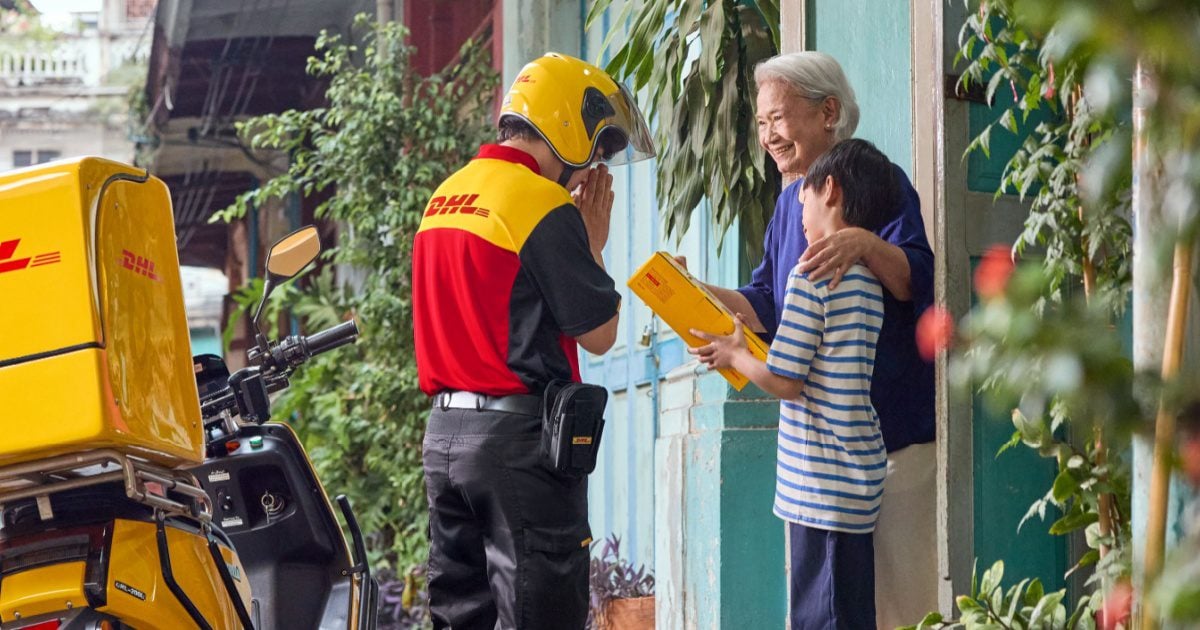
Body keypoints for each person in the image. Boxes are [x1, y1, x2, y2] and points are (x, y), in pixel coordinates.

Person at [690, 52, 937, 627]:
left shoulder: (878, 184)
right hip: (822, 463)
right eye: (759, 124)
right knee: (835, 604)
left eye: (777, 118)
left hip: (888, 442)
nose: (768, 136)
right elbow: (762, 304)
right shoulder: (788, 204)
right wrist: (689, 288)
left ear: (828, 112)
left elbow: (918, 278)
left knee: (896, 608)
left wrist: (863, 244)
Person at [411, 52, 655, 629]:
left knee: (459, 616)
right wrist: (592, 244)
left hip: (444, 442)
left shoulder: (444, 198)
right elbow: (599, 332)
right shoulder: (539, 202)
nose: (590, 171)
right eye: (594, 152)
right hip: (516, 447)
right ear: (567, 124)